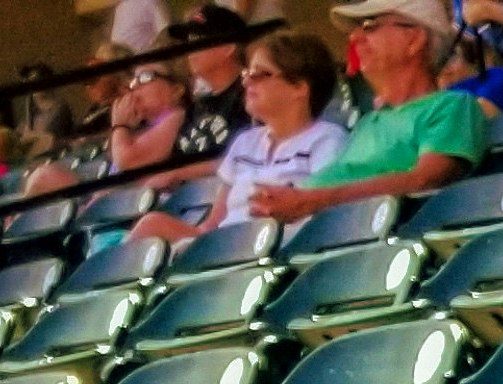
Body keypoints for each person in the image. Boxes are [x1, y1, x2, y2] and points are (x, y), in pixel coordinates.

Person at [249, 0, 482, 220]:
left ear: (415, 39)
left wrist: (311, 201)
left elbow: (425, 181)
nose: (354, 38)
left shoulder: (452, 106)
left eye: (370, 27)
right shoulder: (368, 122)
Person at [132, 29, 346, 238]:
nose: (245, 82)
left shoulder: (327, 141)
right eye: (246, 74)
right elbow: (211, 226)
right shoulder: (245, 142)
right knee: (150, 225)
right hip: (225, 250)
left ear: (299, 87)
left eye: (259, 74)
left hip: (277, 251)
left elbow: (322, 218)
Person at [162, 8, 257, 166]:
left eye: (198, 39)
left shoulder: (252, 94)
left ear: (228, 47)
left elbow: (243, 159)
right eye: (189, 41)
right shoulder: (197, 106)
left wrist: (176, 175)